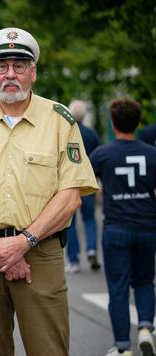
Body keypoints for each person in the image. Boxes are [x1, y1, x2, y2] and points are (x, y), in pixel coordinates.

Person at [0, 28, 98, 356]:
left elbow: (70, 197)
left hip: (40, 255)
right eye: (2, 65)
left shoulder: (60, 123)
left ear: (33, 72)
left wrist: (23, 242)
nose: (10, 73)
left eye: (20, 65)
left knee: (49, 353)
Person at [89, 97, 156, 356]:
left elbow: (85, 182)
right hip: (147, 226)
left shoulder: (103, 154)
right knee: (144, 282)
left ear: (114, 122)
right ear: (138, 122)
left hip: (116, 227)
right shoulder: (152, 154)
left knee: (117, 287)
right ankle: (145, 329)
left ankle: (122, 347)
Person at [65, 100, 102, 273]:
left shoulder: (66, 131)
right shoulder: (92, 134)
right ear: (84, 115)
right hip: (88, 182)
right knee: (89, 219)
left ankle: (73, 260)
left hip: (70, 183)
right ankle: (92, 249)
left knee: (70, 222)